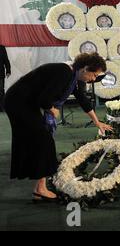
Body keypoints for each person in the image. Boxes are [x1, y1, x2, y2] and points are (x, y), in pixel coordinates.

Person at [4, 53, 113, 202]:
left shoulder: (75, 78)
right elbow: (44, 99)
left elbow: (82, 100)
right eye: (94, 75)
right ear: (85, 68)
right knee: (44, 140)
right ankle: (40, 188)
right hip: (18, 102)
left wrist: (96, 121)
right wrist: (52, 109)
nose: (94, 79)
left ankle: (39, 188)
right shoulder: (64, 72)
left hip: (25, 102)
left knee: (43, 140)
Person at [0, 45, 11, 111]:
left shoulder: (2, 48)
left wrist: (8, 70)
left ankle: (2, 107)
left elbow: (6, 60)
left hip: (0, 74)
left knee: (1, 91)